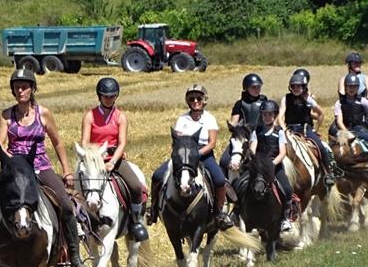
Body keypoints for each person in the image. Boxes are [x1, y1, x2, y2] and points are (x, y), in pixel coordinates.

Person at [0, 67, 90, 267]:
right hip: (14, 170)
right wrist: (12, 161)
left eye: (24, 87)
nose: (20, 91)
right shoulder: (6, 115)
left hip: (41, 167)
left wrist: (66, 171)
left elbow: (58, 143)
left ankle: (74, 256)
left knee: (65, 205)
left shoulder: (43, 113)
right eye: (17, 88)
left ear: (32, 89)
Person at [148, 84, 234, 229]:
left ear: (204, 100)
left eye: (198, 98)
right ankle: (154, 209)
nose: (195, 101)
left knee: (219, 179)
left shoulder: (210, 119)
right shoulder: (182, 119)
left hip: (203, 154)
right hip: (183, 156)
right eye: (192, 98)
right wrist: (185, 155)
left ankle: (220, 213)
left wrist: (196, 154)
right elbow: (177, 141)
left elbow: (212, 143)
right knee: (157, 175)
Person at [80, 76, 148, 241]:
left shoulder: (120, 117)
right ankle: (78, 223)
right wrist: (94, 156)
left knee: (136, 186)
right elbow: (84, 141)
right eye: (105, 96)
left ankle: (135, 221)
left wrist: (112, 161)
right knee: (75, 188)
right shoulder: (89, 116)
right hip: (94, 159)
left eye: (112, 96)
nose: (109, 99)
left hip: (114, 158)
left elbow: (122, 142)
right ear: (99, 96)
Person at [277, 69, 337, 186]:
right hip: (289, 129)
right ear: (290, 87)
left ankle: (328, 173)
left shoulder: (308, 99)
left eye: (299, 87)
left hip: (305, 129)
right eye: (294, 86)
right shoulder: (286, 98)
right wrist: (284, 129)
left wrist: (316, 129)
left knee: (320, 146)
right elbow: (280, 116)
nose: (296, 89)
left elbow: (321, 114)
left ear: (303, 87)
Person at [251, 100, 295, 233]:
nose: (267, 117)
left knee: (287, 189)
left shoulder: (279, 132)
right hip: (259, 165)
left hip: (274, 165)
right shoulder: (256, 131)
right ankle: (237, 212)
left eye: (270, 114)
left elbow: (283, 152)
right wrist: (255, 160)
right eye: (264, 114)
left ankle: (285, 218)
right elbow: (253, 148)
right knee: (244, 184)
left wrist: (272, 164)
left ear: (274, 115)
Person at [332, 51, 368, 149]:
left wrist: (364, 102)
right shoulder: (343, 79)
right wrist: (349, 100)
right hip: (346, 108)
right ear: (349, 65)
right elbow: (342, 92)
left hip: (363, 107)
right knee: (332, 129)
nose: (358, 65)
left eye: (359, 63)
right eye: (355, 63)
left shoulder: (365, 78)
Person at [220, 73, 268, 173]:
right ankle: (225, 185)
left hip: (260, 135)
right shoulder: (239, 104)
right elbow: (234, 121)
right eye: (253, 87)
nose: (257, 89)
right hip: (242, 137)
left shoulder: (264, 101)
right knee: (224, 160)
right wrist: (232, 126)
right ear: (246, 88)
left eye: (259, 86)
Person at [334, 73, 368, 164]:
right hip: (345, 131)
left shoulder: (362, 100)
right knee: (333, 149)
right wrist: (347, 132)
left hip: (360, 130)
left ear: (357, 88)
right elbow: (339, 121)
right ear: (345, 87)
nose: (352, 89)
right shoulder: (339, 103)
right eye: (349, 86)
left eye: (354, 86)